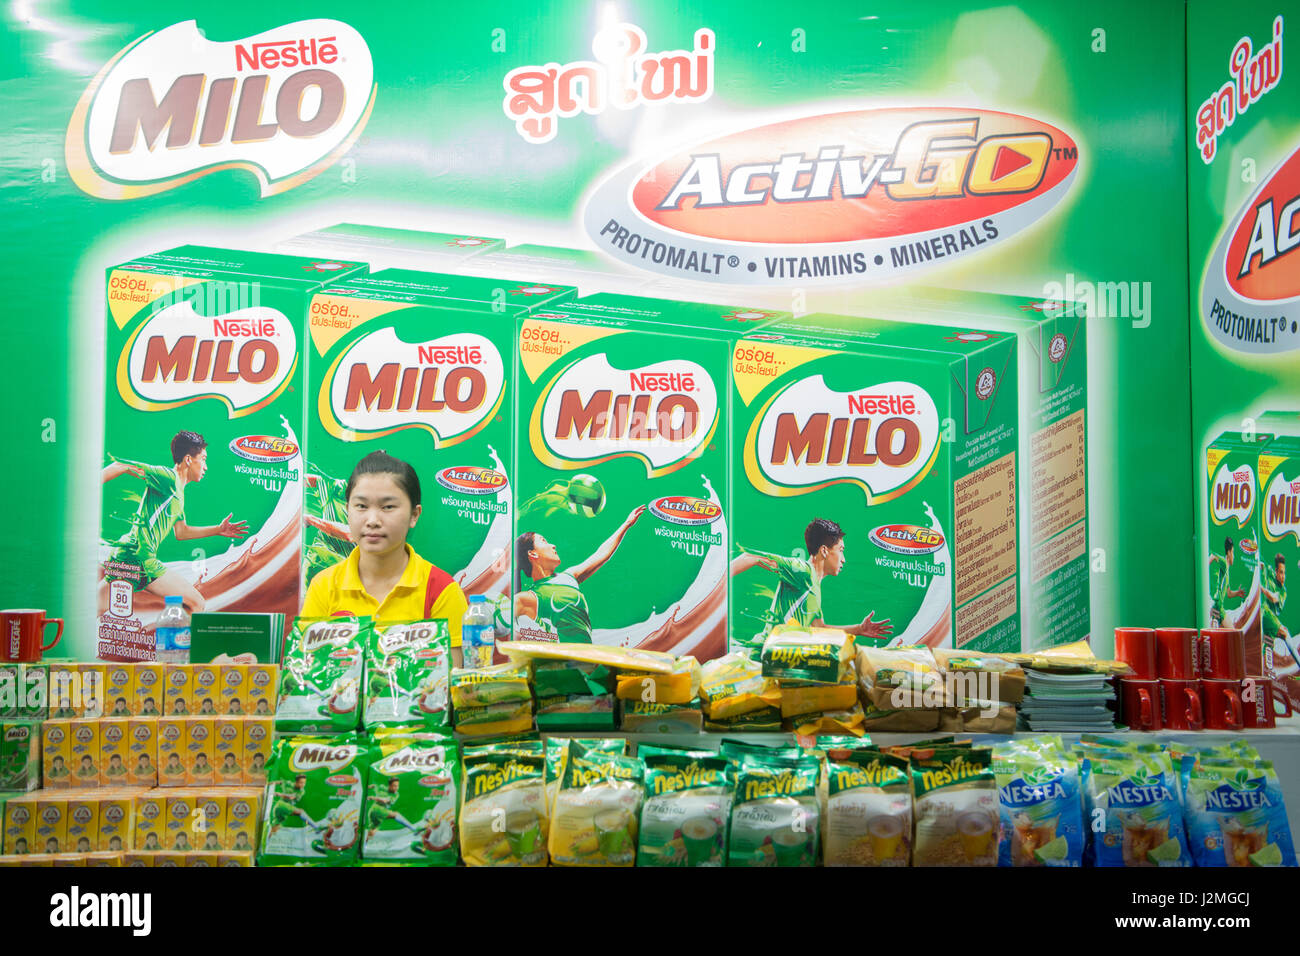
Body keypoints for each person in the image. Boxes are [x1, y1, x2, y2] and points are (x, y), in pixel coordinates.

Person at [302, 451, 468, 648]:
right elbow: (308, 663)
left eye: (388, 507)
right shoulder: (323, 586)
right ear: (348, 510)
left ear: (414, 515)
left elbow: (453, 666)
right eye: (361, 506)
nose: (372, 520)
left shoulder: (441, 590)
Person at [98, 430, 249, 614]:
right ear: (188, 460)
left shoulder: (178, 493)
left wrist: (218, 530)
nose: (206, 467)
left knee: (91, 609)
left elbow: (181, 532)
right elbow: (121, 465)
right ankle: (175, 634)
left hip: (129, 555)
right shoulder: (168, 478)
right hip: (140, 558)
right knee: (196, 603)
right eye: (203, 459)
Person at [731, 517, 894, 649]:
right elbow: (749, 557)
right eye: (841, 550)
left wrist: (859, 629)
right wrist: (721, 580)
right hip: (761, 657)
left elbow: (819, 628)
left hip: (779, 659)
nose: (843, 559)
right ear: (824, 551)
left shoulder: (814, 586)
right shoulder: (803, 571)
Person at [512, 506, 646, 643]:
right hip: (562, 656)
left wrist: (626, 524)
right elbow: (503, 629)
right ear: (532, 554)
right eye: (543, 541)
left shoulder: (569, 576)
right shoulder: (528, 598)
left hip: (587, 654)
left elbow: (602, 554)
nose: (553, 545)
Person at [1209, 537, 1246, 627]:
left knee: (1216, 632)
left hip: (1217, 607)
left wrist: (1237, 593)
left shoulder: (1226, 573)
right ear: (1229, 553)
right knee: (1232, 632)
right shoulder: (1224, 563)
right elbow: (1213, 556)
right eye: (1233, 552)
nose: (1234, 556)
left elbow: (1229, 593)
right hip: (1218, 606)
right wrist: (1204, 567)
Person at [1262, 552, 1289, 643]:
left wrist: (1261, 588)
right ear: (1276, 571)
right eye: (1281, 572)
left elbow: (1273, 598)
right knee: (1284, 633)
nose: (1283, 576)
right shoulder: (1270, 573)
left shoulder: (1283, 591)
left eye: (1284, 573)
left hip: (1270, 619)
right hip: (1263, 613)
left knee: (1269, 644)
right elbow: (1262, 565)